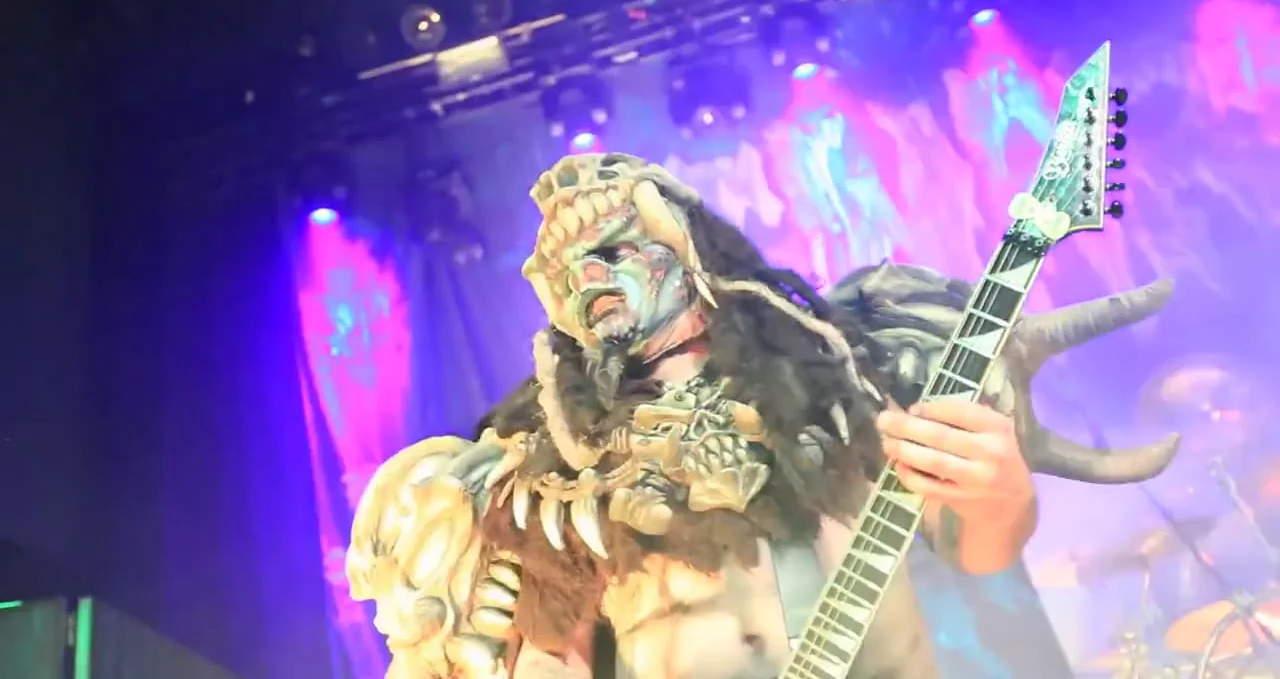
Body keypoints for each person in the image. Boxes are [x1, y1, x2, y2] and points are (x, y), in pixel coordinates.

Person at [346, 153, 1179, 679]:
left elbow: (975, 553)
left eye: (612, 252)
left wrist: (1001, 501)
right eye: (566, 273)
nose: (586, 279)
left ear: (685, 249)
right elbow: (552, 655)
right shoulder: (556, 477)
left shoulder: (850, 377)